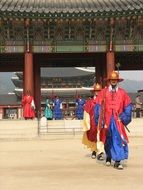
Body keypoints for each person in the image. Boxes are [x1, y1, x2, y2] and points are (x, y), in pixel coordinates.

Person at [94, 71, 132, 170]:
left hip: (117, 120)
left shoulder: (122, 93)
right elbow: (98, 106)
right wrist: (99, 119)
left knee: (118, 139)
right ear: (109, 81)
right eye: (112, 80)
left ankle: (118, 161)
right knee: (108, 140)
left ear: (117, 81)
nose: (114, 81)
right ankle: (109, 157)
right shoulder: (103, 92)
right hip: (106, 120)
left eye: (115, 80)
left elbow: (128, 106)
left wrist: (124, 117)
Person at [82, 83, 104, 160]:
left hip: (101, 122)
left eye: (99, 91)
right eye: (96, 91)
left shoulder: (103, 101)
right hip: (93, 122)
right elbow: (86, 112)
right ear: (94, 92)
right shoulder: (90, 102)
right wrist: (86, 124)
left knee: (101, 136)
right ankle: (94, 151)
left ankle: (100, 152)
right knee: (93, 137)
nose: (97, 92)